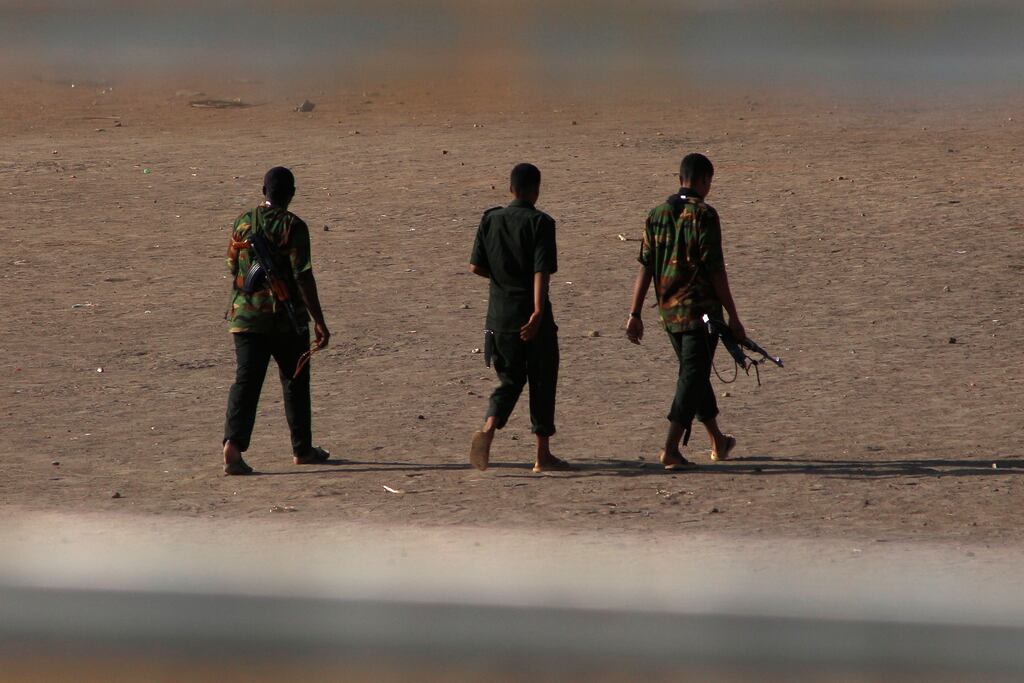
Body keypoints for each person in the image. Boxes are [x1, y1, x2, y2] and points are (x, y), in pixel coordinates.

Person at [625, 153, 743, 470]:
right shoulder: (705, 215)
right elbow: (716, 271)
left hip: (668, 314)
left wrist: (635, 313)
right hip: (700, 314)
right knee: (691, 377)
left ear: (680, 180)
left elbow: (645, 268)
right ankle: (670, 449)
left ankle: (717, 440)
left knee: (695, 375)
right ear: (704, 181)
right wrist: (734, 315)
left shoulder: (656, 215)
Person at [221, 166, 331, 475]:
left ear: (263, 191)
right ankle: (302, 449)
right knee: (295, 380)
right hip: (284, 319)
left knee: (246, 381)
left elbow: (232, 265)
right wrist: (318, 319)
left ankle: (233, 445)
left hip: (244, 317)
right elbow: (303, 276)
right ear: (291, 194)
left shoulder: (243, 222)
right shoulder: (292, 226)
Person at [468, 163, 573, 473]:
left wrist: (502, 279)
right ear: (536, 190)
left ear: (510, 188)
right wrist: (538, 310)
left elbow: (475, 267)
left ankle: (488, 427)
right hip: (531, 316)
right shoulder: (541, 223)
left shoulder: (491, 219)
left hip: (499, 316)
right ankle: (542, 455)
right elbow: (542, 270)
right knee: (543, 377)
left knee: (510, 379)